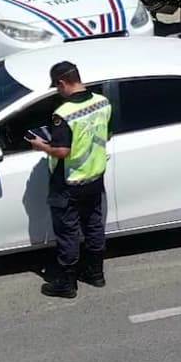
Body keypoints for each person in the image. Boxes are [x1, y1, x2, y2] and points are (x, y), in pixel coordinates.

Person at [27, 60, 113, 299]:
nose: (58, 91)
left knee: (68, 231)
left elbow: (62, 151)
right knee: (94, 225)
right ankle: (95, 274)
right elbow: (106, 132)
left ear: (63, 83)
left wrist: (41, 146)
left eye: (57, 87)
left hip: (69, 180)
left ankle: (66, 283)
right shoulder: (102, 102)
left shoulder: (62, 114)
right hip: (95, 175)